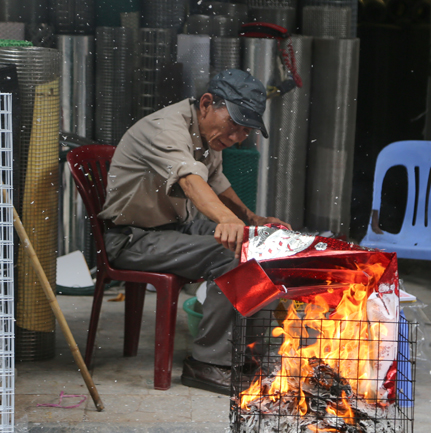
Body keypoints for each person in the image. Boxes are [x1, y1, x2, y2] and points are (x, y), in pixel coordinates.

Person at [99, 69, 290, 394]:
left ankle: (251, 354)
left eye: (246, 131)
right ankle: (208, 363)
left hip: (175, 226)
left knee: (259, 246)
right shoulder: (166, 128)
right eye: (235, 125)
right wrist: (227, 221)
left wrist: (251, 219)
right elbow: (191, 181)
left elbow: (216, 182)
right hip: (134, 238)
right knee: (228, 255)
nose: (237, 138)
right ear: (206, 103)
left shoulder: (207, 133)